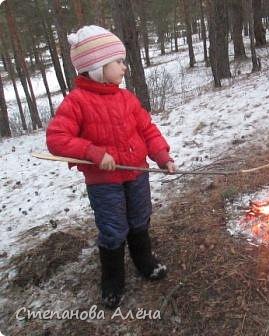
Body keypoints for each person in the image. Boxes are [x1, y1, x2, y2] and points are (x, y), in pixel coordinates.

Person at [46, 25, 175, 309]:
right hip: (104, 183)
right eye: (118, 62)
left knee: (140, 219)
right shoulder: (76, 102)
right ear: (96, 66)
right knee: (113, 228)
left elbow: (148, 130)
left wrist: (162, 156)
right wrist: (92, 152)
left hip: (137, 175)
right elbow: (56, 139)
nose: (124, 68)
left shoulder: (127, 99)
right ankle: (113, 279)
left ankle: (145, 262)